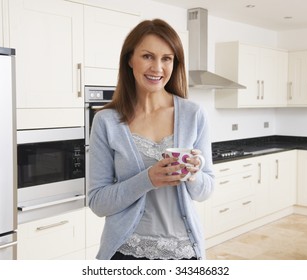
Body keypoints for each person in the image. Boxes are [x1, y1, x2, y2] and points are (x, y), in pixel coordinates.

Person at [88, 18, 215, 260]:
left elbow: (205, 191)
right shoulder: (106, 121)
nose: (157, 67)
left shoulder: (194, 114)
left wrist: (194, 175)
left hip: (184, 252)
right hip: (124, 252)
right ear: (130, 59)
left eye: (166, 58)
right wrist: (148, 179)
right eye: (147, 56)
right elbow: (98, 202)